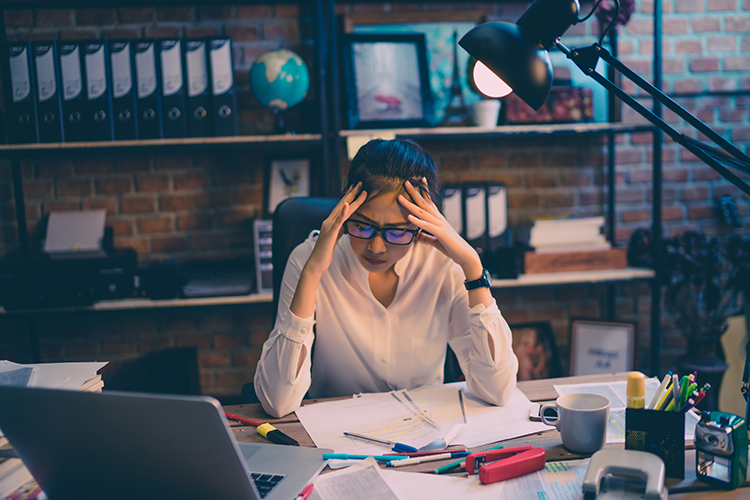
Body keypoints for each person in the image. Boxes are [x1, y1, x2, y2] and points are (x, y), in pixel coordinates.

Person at [254, 138, 518, 418]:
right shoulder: (308, 259)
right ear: (347, 210)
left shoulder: (443, 265)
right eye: (363, 226)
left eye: (397, 231)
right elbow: (277, 402)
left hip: (427, 438)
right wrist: (312, 272)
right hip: (337, 434)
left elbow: (497, 390)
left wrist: (472, 267)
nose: (377, 247)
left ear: (421, 223)